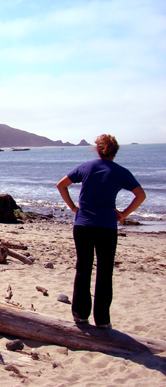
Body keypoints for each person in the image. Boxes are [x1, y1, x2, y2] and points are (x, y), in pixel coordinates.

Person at [56, 134, 146, 329]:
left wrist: (73, 207)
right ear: (115, 152)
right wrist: (123, 215)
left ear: (98, 150)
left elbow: (61, 185)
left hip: (83, 225)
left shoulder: (86, 167)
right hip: (106, 227)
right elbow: (141, 195)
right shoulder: (121, 172)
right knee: (105, 272)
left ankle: (80, 315)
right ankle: (103, 321)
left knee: (83, 269)